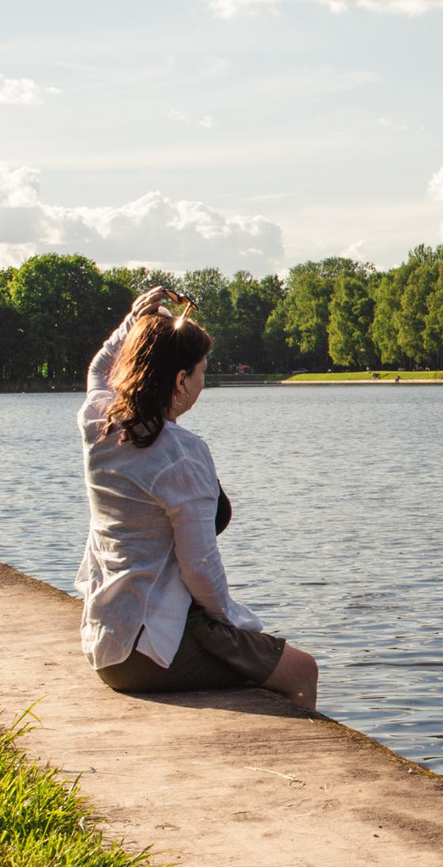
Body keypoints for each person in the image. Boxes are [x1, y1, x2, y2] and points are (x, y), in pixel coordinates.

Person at [78, 286, 318, 708]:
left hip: (107, 642)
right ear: (180, 379)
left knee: (263, 655)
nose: (204, 383)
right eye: (202, 372)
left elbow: (100, 370)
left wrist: (133, 322)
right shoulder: (179, 454)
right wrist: (235, 626)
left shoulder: (98, 421)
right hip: (153, 651)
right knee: (301, 669)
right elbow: (200, 569)